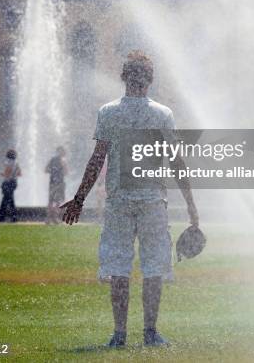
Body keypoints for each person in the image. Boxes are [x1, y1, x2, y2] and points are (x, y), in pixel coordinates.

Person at [61, 51, 199, 348]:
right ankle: (150, 333)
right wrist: (191, 206)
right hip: (152, 200)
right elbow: (177, 163)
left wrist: (79, 199)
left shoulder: (108, 112)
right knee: (154, 267)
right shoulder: (162, 114)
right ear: (149, 81)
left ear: (124, 78)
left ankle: (119, 334)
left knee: (118, 267)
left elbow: (97, 160)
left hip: (119, 201)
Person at [45, 146, 68, 224]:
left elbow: (46, 170)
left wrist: (53, 171)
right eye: (63, 152)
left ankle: (48, 218)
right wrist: (59, 172)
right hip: (59, 183)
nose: (64, 153)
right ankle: (54, 217)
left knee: (51, 201)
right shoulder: (62, 160)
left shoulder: (52, 160)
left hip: (52, 182)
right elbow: (66, 172)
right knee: (58, 201)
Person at [0, 149, 21, 223]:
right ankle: (13, 217)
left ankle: (1, 217)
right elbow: (20, 173)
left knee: (5, 201)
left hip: (8, 183)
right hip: (13, 183)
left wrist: (3, 174)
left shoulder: (8, 162)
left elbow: (8, 171)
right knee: (10, 200)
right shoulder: (16, 163)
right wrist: (13, 176)